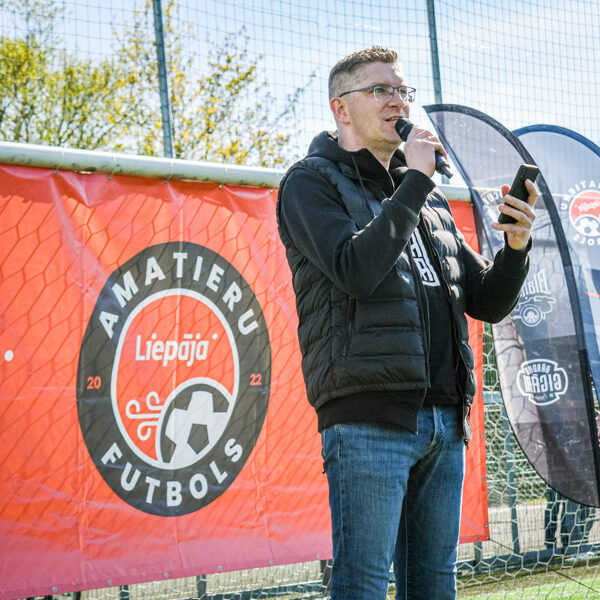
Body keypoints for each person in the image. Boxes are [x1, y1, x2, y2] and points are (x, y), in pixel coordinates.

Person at [276, 47, 538, 600]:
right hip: (369, 418)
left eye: (402, 91)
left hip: (445, 417)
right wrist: (415, 182)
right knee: (364, 584)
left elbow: (485, 301)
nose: (397, 101)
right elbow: (355, 270)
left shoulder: (426, 195)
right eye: (380, 90)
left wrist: (516, 248)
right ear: (341, 108)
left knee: (433, 584)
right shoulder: (310, 182)